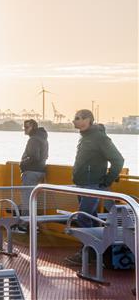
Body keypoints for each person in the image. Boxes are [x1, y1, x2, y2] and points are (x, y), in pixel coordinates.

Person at [65, 109, 125, 265]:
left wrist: (106, 181)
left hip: (92, 186)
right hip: (82, 185)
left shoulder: (100, 138)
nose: (74, 121)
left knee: (83, 217)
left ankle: (89, 254)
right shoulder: (85, 138)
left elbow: (118, 160)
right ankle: (99, 253)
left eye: (78, 118)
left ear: (88, 120)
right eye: (74, 118)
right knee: (93, 218)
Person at [20, 119, 48, 186]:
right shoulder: (43, 138)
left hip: (31, 173)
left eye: (27, 127)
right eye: (24, 127)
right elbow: (45, 156)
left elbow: (34, 157)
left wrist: (22, 164)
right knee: (35, 195)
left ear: (33, 128)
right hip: (40, 171)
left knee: (27, 195)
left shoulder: (33, 139)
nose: (24, 129)